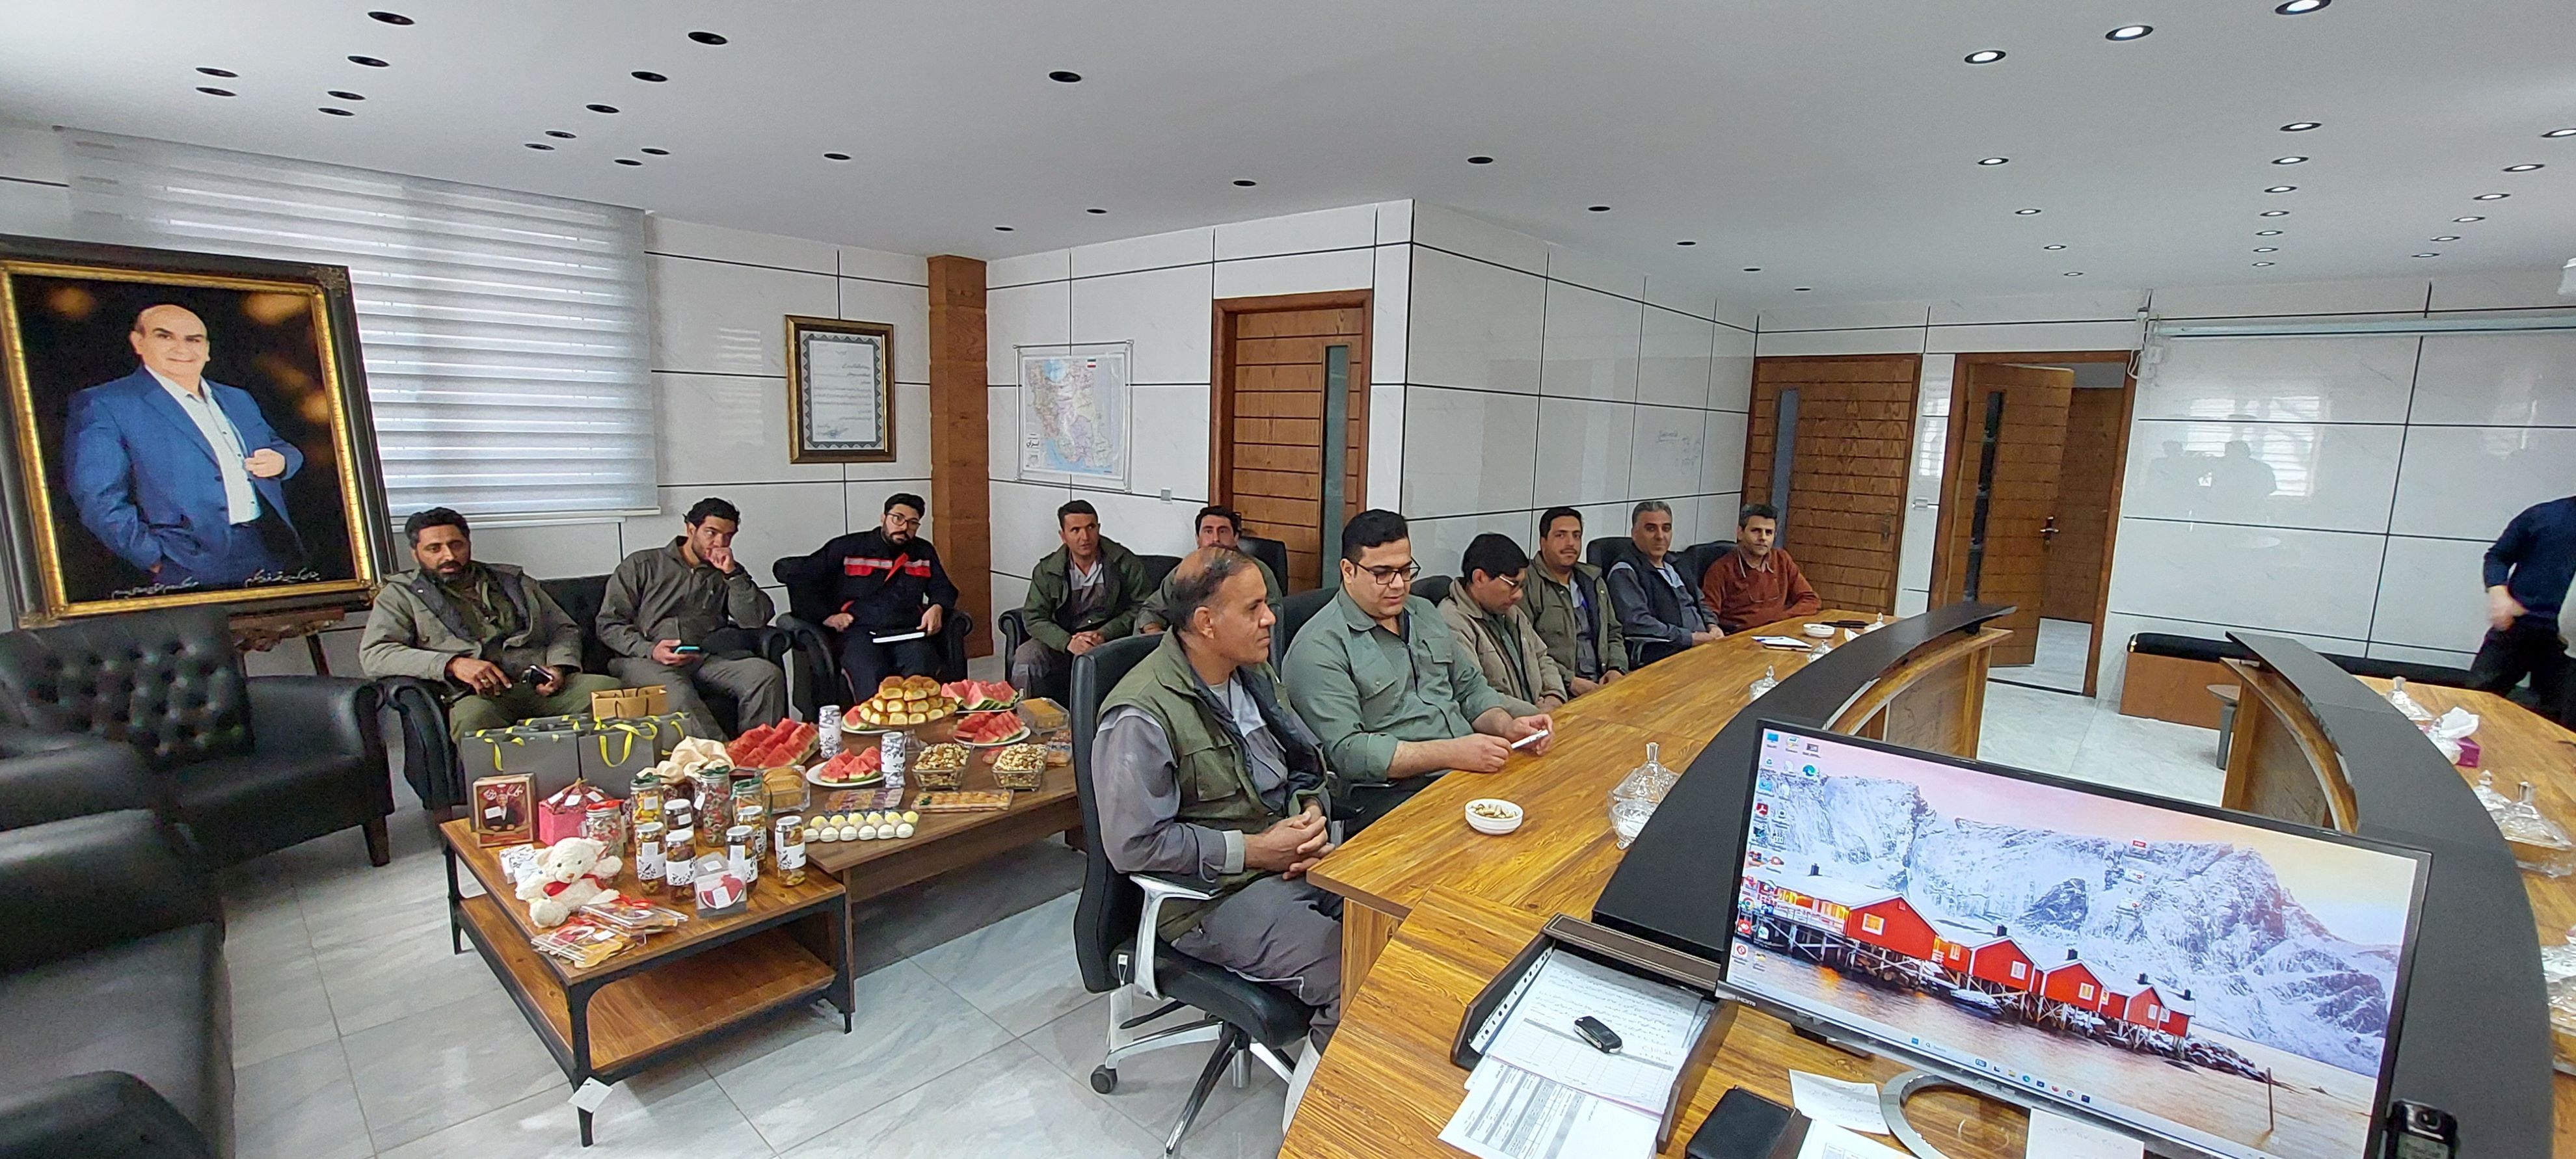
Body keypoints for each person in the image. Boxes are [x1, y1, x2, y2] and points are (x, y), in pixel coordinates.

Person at [1093, 547, 1342, 1048]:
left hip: (1290, 863)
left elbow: (1306, 764)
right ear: (1206, 623)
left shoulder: (1253, 674)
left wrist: (1311, 815)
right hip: (1210, 900)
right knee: (1359, 977)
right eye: (1253, 609)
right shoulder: (1141, 714)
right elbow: (1134, 846)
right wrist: (1256, 851)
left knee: (1404, 932)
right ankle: (1325, 1098)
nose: (1270, 618)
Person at [1283, 509, 1552, 832]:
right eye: (1382, 573)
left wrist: (1507, 726)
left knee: (1554, 806)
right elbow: (1348, 753)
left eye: (1405, 570)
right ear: (1348, 570)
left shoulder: (1423, 612)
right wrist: (1452, 753)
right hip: (1393, 795)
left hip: (1465, 771)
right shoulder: (1319, 647)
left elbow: (1469, 689)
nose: (1398, 585)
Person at [63, 304, 307, 587]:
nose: (182, 348)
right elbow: (98, 498)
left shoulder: (237, 398)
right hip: (183, 559)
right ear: (138, 342)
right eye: (165, 336)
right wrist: (154, 558)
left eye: (193, 340)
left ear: (207, 350)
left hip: (263, 549)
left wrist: (282, 461)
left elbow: (279, 446)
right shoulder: (106, 403)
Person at [359, 508, 620, 738]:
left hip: (537, 685)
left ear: (468, 544)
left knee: (610, 694)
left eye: (456, 545)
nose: (449, 555)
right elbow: (376, 654)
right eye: (434, 549)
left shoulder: (512, 580)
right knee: (474, 719)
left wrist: (559, 666)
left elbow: (563, 628)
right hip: (475, 694)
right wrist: (452, 664)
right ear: (415, 554)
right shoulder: (400, 595)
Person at [597, 496, 786, 739]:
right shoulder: (642, 564)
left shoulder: (725, 571)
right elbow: (608, 624)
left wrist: (733, 575)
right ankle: (720, 757)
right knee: (677, 693)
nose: (720, 543)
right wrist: (651, 650)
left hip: (702, 657)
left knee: (765, 675)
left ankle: (759, 752)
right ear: (691, 529)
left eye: (728, 536)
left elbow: (755, 620)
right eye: (711, 533)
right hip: (645, 659)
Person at [796, 492, 959, 700]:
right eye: (898, 518)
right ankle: (873, 720)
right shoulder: (848, 548)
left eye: (913, 523)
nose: (904, 527)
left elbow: (943, 588)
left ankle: (917, 720)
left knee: (922, 665)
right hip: (860, 631)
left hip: (906, 631)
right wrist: (827, 616)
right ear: (883, 517)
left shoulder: (922, 552)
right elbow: (802, 580)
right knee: (871, 672)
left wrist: (937, 606)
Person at [1013, 499, 1153, 695]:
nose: (1085, 537)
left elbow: (1144, 606)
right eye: (1075, 530)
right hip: (1064, 639)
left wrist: (1105, 633)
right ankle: (1024, 711)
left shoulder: (1123, 562)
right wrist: (1067, 642)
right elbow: (1034, 617)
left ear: (1099, 528)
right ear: (1063, 536)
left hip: (1110, 639)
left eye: (1091, 527)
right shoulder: (1047, 570)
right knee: (1027, 656)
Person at [2473, 494, 2576, 723]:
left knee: (2557, 718)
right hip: (2518, 623)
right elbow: (2498, 556)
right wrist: (2498, 594)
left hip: (2570, 642)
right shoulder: (2542, 515)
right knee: (2477, 700)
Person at [1438, 533, 1567, 714]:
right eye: (1512, 585)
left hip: (1540, 715)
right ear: (1480, 578)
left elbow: (1541, 656)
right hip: (1503, 724)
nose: (1519, 595)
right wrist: (1534, 712)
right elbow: (1476, 694)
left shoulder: (1511, 612)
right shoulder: (1453, 622)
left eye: (1521, 586)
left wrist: (1554, 697)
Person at [1524, 507, 1626, 696]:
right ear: (1543, 542)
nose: (1570, 543)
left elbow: (1614, 632)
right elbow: (1525, 650)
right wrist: (1569, 680)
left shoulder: (1593, 580)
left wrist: (1617, 668)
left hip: (1603, 684)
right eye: (1561, 535)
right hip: (1556, 690)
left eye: (1576, 536)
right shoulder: (1526, 583)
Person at [1604, 500, 1718, 666]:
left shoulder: (1677, 564)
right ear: (1635, 533)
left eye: (1666, 529)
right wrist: (1690, 638)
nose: (1660, 536)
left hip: (1701, 648)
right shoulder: (1625, 571)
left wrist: (1712, 625)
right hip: (1666, 656)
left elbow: (1700, 602)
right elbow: (1637, 623)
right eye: (1651, 529)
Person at [1140, 505, 1282, 633]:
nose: (1215, 539)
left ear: (1235, 538)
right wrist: (1153, 634)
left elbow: (1271, 620)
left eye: (1223, 531)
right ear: (1198, 538)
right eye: (1208, 531)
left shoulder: (1258, 572)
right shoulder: (1185, 571)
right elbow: (1152, 610)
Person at [1700, 502, 1821, 633]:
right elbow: (1708, 613)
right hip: (1740, 637)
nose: (1763, 538)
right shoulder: (1721, 569)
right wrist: (1714, 628)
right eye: (1756, 531)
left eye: (1769, 533)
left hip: (1778, 633)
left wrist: (1780, 620)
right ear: (1740, 533)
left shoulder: (1782, 559)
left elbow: (1811, 600)